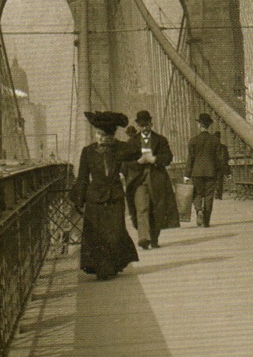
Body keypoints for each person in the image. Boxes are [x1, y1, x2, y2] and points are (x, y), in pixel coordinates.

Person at [71, 111, 142, 280]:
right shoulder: (87, 152)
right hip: (94, 198)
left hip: (115, 197)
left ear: (110, 136)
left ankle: (113, 265)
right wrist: (79, 198)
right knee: (97, 235)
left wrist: (115, 143)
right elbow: (82, 178)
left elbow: (137, 152)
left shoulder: (118, 149)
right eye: (98, 134)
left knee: (115, 233)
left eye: (104, 135)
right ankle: (102, 269)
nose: (100, 138)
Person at [127, 109, 180, 249]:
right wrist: (138, 162)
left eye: (147, 125)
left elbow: (168, 157)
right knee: (142, 207)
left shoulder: (160, 140)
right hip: (139, 179)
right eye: (141, 125)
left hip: (157, 177)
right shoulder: (132, 142)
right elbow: (126, 162)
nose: (144, 128)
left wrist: (154, 159)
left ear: (151, 123)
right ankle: (144, 238)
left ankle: (154, 238)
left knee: (157, 208)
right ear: (138, 126)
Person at [185, 113, 226, 227]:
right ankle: (206, 221)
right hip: (211, 172)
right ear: (209, 125)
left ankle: (198, 210)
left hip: (196, 172)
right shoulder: (215, 140)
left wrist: (186, 175)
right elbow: (219, 159)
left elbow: (190, 159)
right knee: (208, 196)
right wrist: (224, 172)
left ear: (199, 125)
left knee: (197, 194)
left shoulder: (193, 141)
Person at [212, 129, 231, 200]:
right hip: (221, 167)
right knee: (220, 181)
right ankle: (219, 195)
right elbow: (227, 158)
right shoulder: (224, 147)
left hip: (214, 166)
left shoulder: (212, 147)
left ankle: (216, 194)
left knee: (213, 181)